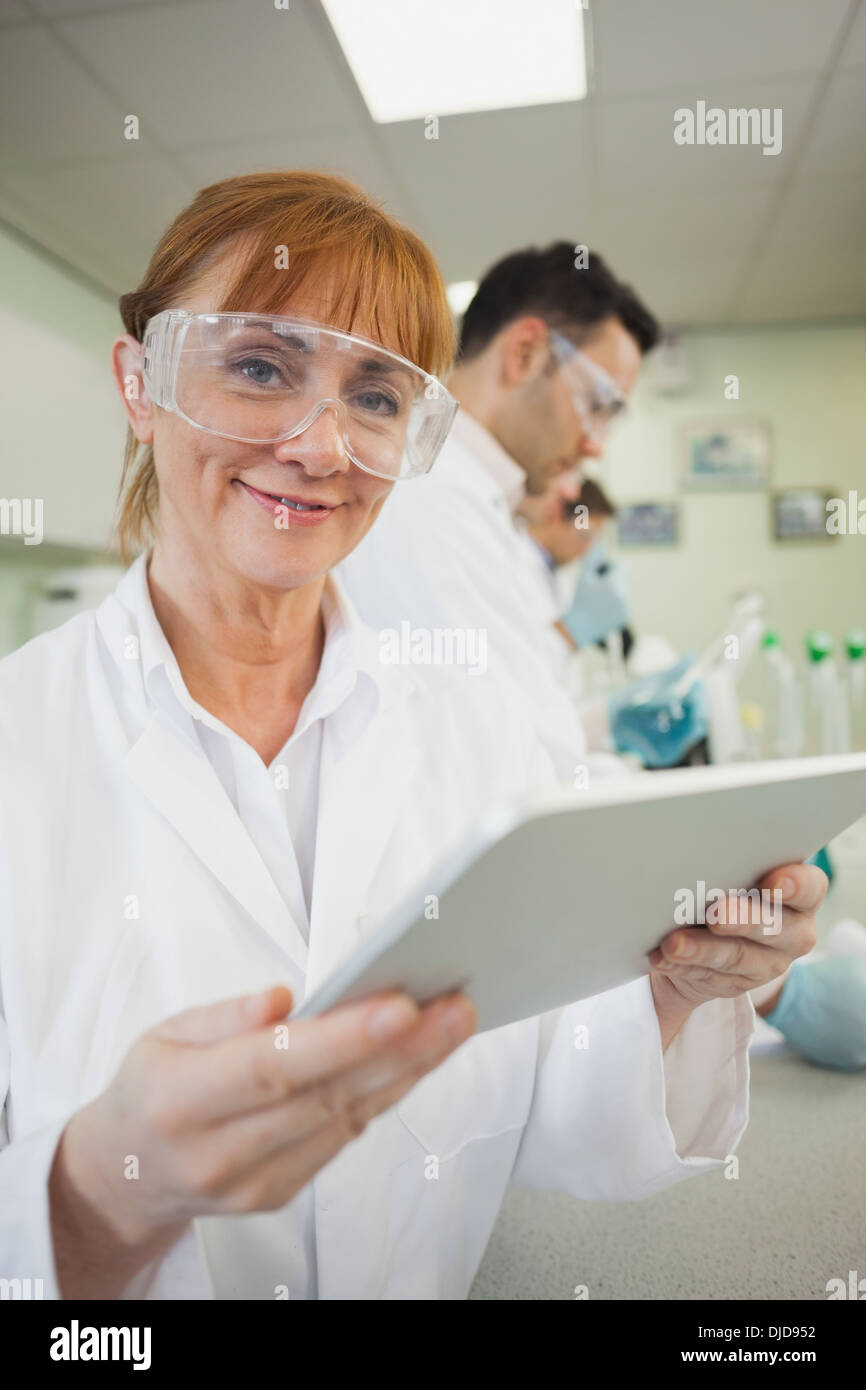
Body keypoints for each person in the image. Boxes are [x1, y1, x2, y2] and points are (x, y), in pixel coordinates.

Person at [0, 172, 823, 1301]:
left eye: (377, 397)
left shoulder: (471, 730)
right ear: (140, 383)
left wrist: (679, 989)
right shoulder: (19, 742)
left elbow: (541, 1101)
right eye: (258, 367)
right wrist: (96, 1195)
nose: (321, 444)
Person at [339, 242, 659, 774]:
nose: (596, 445)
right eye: (598, 405)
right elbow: (505, 765)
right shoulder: (426, 494)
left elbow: (530, 709)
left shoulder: (481, 502)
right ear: (525, 353)